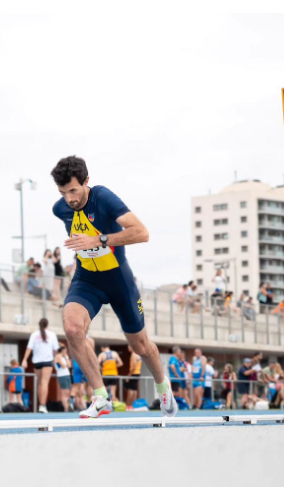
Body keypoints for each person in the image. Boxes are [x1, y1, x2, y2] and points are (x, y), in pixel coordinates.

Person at [51, 156, 176, 418]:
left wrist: (99, 239)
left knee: (140, 345)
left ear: (86, 182)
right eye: (63, 193)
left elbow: (142, 232)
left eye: (73, 190)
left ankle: (163, 387)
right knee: (73, 329)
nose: (69, 199)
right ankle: (100, 397)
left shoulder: (103, 197)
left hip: (118, 281)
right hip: (87, 280)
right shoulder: (60, 209)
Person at [22, 318, 60, 413]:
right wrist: (56, 359)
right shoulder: (52, 335)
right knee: (44, 383)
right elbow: (55, 350)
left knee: (40, 383)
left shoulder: (34, 334)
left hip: (37, 362)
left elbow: (29, 348)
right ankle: (42, 405)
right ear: (47, 325)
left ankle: (41, 405)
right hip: (47, 361)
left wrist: (24, 359)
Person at [54, 345, 73, 412]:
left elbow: (69, 365)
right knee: (64, 392)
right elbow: (64, 366)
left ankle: (68, 406)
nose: (66, 352)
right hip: (62, 375)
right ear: (62, 350)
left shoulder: (64, 357)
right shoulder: (58, 356)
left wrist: (67, 358)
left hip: (67, 375)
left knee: (68, 392)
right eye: (65, 350)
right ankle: (66, 408)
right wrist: (66, 359)